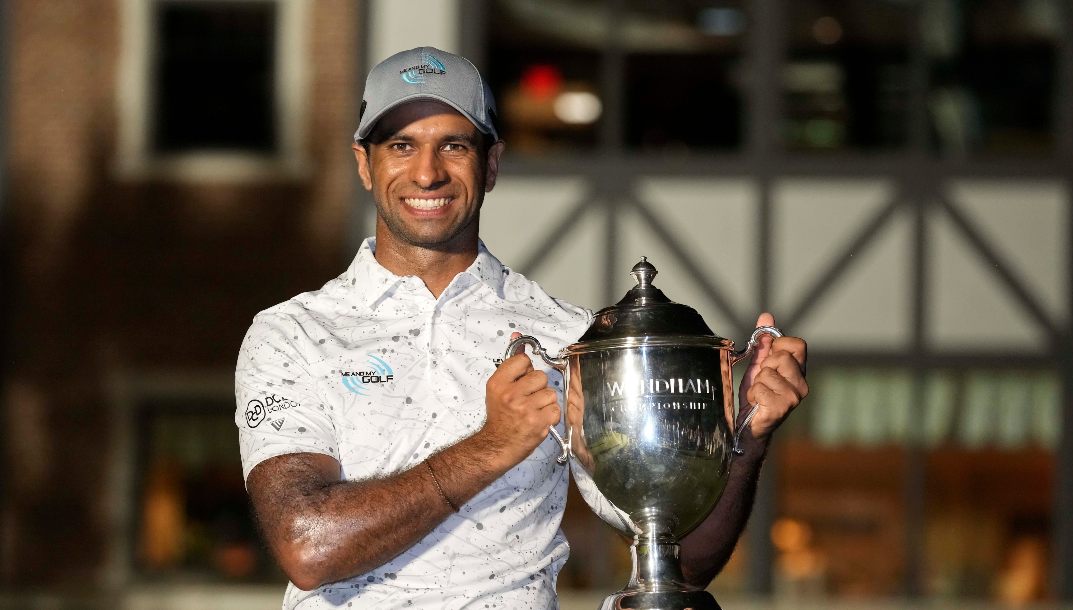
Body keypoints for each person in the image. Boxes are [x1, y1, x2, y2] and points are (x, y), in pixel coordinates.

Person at [235, 46, 809, 609]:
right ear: (365, 163)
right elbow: (307, 546)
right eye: (401, 145)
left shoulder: (570, 337)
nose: (428, 172)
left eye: (454, 146)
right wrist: (492, 446)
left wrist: (747, 444)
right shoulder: (293, 333)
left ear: (492, 164)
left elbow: (681, 562)